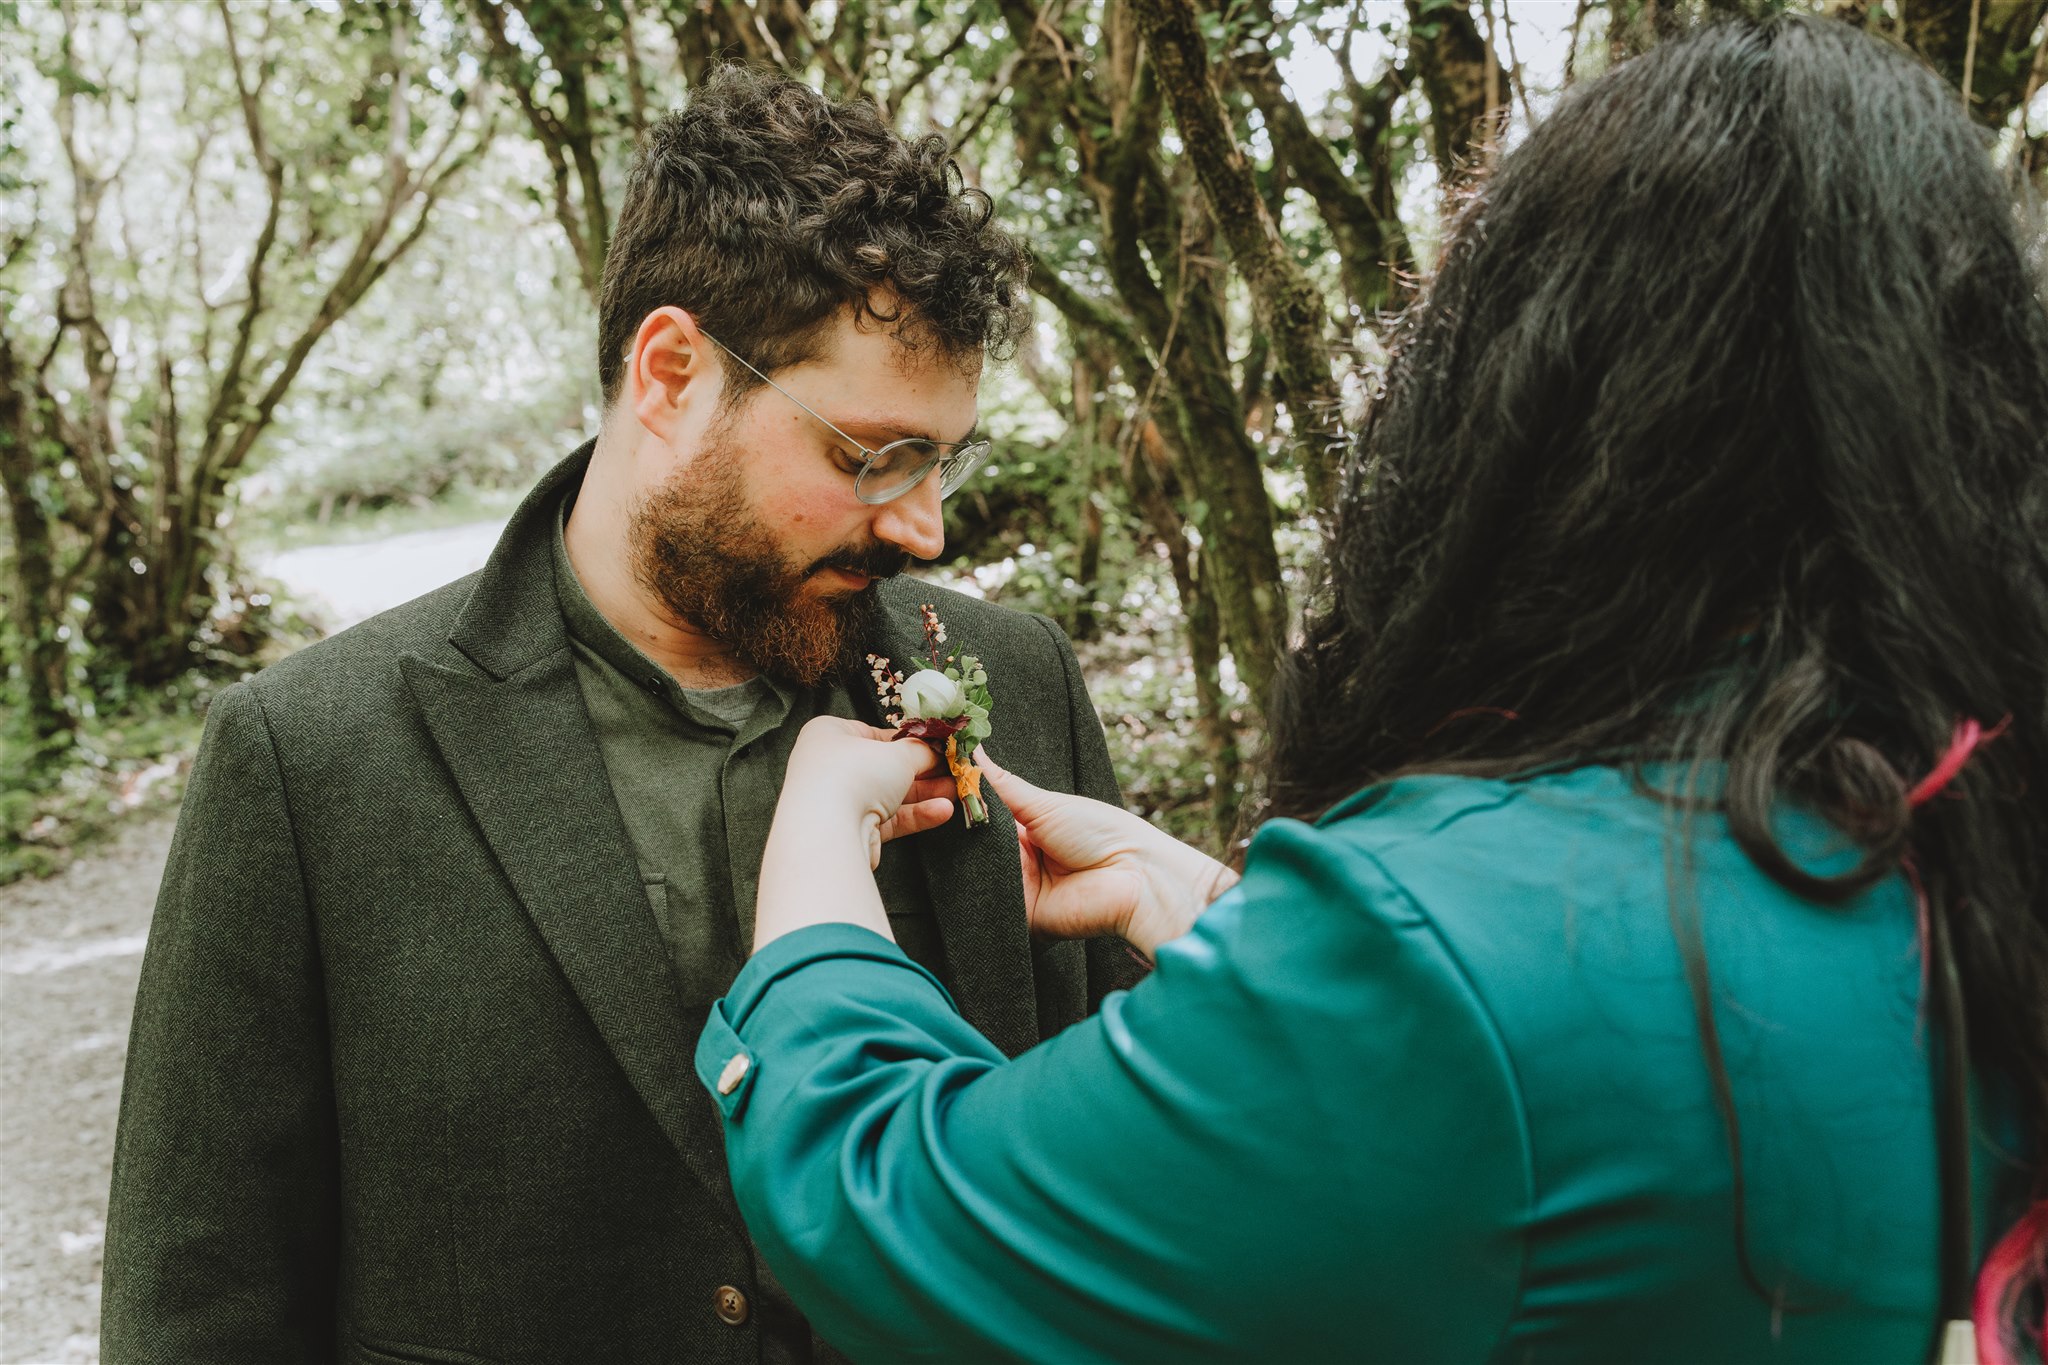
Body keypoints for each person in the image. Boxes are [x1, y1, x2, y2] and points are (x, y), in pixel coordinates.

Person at [697, 16, 2048, 1364]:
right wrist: (1200, 908)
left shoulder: (1452, 950)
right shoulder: (1965, 824)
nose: (922, 530)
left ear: (1537, 411)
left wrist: (820, 824)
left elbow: (889, 1200)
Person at [102, 68, 1140, 1364]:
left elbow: (1126, 1186)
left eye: (944, 458)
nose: (924, 526)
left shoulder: (1016, 678)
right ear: (670, 372)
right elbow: (200, 1309)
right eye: (872, 457)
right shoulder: (308, 757)